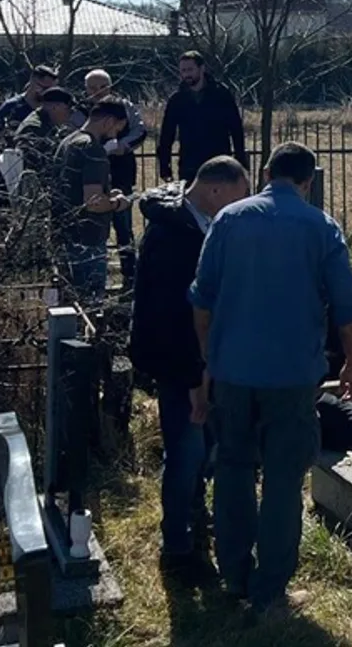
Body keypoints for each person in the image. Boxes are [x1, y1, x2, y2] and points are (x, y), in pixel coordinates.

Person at [188, 141, 352, 621]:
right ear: (308, 181)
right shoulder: (320, 227)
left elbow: (202, 301)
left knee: (233, 469)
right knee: (284, 479)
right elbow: (348, 307)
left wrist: (208, 357)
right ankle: (270, 592)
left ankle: (235, 575)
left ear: (266, 173)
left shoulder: (228, 221)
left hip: (233, 372)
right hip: (291, 376)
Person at [128, 156, 251, 580]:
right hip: (180, 362)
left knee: (200, 450)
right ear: (214, 190)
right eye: (236, 198)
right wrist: (194, 376)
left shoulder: (196, 224)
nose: (239, 208)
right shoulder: (174, 237)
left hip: (200, 361)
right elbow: (174, 317)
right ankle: (178, 546)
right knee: (186, 452)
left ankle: (195, 519)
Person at [50, 98, 132, 308]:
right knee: (90, 306)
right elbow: (93, 203)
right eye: (117, 129)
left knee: (67, 304)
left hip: (64, 234)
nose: (115, 136)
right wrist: (117, 203)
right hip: (88, 240)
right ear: (109, 121)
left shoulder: (67, 142)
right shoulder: (93, 150)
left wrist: (107, 193)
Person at [84, 69, 148, 288]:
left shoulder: (125, 107)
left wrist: (122, 145)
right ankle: (94, 276)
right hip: (91, 178)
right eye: (92, 88)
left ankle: (130, 275)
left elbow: (140, 131)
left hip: (121, 174)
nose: (98, 92)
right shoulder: (81, 110)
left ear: (110, 86)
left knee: (124, 228)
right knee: (93, 228)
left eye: (102, 87)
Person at [157, 51, 248, 183]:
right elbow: (166, 135)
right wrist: (165, 168)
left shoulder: (221, 94)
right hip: (189, 165)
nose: (186, 74)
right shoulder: (177, 100)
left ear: (201, 68)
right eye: (183, 70)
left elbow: (236, 129)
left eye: (190, 69)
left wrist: (240, 161)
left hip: (219, 163)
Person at [14, 86, 75, 175]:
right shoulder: (35, 128)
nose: (69, 115)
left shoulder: (46, 123)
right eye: (68, 109)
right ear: (55, 107)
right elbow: (35, 161)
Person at [0, 65, 58, 133]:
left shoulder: (53, 112)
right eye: (44, 88)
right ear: (32, 80)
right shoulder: (11, 107)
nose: (47, 92)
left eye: (51, 89)